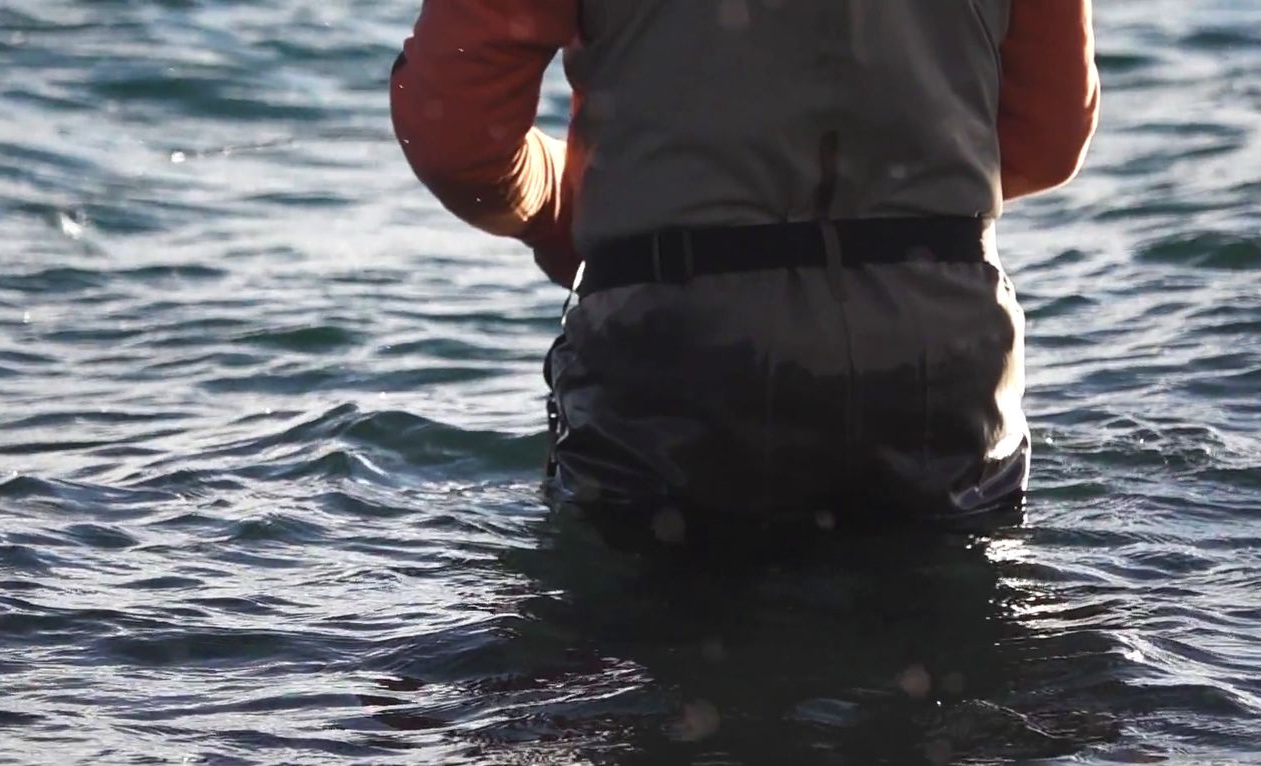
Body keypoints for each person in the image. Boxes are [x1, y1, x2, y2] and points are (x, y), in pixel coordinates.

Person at [391, 1, 1098, 533]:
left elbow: (455, 135)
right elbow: (1048, 135)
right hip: (939, 348)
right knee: (955, 682)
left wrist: (569, 209)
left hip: (684, 346)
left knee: (635, 684)